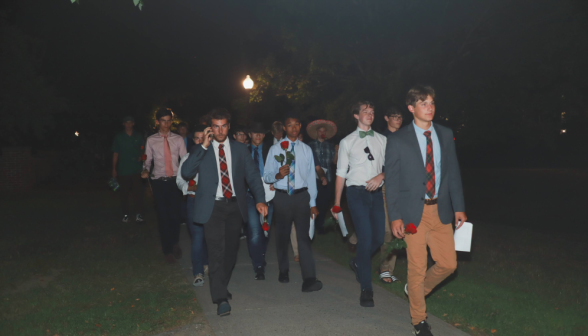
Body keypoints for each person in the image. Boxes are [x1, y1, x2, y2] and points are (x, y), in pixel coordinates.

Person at [385, 85, 466, 336]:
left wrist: (459, 208)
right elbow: (393, 180)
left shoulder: (445, 133)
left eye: (431, 103)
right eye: (423, 103)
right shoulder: (398, 139)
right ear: (411, 108)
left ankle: (415, 289)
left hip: (440, 211)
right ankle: (419, 321)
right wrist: (395, 217)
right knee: (417, 268)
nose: (429, 107)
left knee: (449, 264)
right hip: (412, 214)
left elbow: (452, 173)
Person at [181, 108, 267, 317]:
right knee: (216, 251)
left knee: (230, 252)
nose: (220, 130)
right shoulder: (201, 148)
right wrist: (202, 146)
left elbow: (253, 176)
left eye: (224, 126)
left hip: (234, 206)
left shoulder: (240, 149)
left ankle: (220, 285)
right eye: (216, 126)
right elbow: (186, 172)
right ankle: (220, 298)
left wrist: (261, 200)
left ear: (229, 126)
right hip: (212, 207)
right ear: (211, 128)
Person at [332, 101, 386, 307]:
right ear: (356, 115)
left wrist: (381, 175)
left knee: (379, 238)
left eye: (372, 111)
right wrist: (337, 203)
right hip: (355, 193)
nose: (370, 114)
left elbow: (391, 166)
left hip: (376, 194)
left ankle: (357, 262)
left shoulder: (382, 140)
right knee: (365, 238)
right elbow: (340, 174)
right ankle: (366, 289)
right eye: (365, 111)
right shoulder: (347, 141)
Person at [263, 114, 322, 293]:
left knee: (303, 238)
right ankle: (283, 269)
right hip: (282, 197)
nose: (294, 128)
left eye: (297, 125)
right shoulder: (275, 149)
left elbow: (311, 177)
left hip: (301, 196)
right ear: (284, 129)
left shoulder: (306, 150)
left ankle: (309, 278)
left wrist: (313, 202)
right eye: (290, 125)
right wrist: (278, 175)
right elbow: (266, 176)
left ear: (300, 127)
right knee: (282, 236)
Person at [348, 106, 403, 283]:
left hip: (404, 188)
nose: (398, 120)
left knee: (398, 230)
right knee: (388, 230)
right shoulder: (380, 138)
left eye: (400, 117)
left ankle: (360, 246)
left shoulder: (406, 138)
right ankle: (384, 268)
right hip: (384, 187)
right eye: (394, 116)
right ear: (386, 118)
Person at [142, 108, 187, 264]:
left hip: (175, 181)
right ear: (157, 122)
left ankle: (174, 243)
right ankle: (167, 250)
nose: (166, 124)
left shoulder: (178, 139)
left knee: (176, 215)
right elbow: (147, 162)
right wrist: (145, 170)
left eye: (169, 120)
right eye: (163, 120)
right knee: (163, 216)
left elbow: (185, 160)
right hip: (159, 182)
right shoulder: (151, 140)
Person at [246, 122, 274, 280]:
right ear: (250, 134)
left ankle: (259, 255)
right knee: (255, 230)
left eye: (261, 133)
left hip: (269, 195)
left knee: (265, 230)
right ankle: (258, 266)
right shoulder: (244, 151)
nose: (258, 136)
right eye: (255, 133)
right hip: (249, 196)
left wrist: (276, 183)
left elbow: (279, 169)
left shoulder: (271, 150)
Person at [177, 150, 208, 287]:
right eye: (197, 137)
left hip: (211, 202)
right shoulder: (187, 158)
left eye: (203, 136)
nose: (200, 140)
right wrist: (189, 187)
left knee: (210, 236)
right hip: (193, 200)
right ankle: (198, 272)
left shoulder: (214, 155)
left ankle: (206, 263)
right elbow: (179, 180)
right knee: (197, 235)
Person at [306, 120, 338, 234]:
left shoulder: (330, 146)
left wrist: (337, 152)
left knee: (324, 204)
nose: (322, 133)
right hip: (313, 179)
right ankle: (310, 224)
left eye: (324, 131)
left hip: (327, 178)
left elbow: (334, 162)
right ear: (317, 132)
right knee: (313, 202)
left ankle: (319, 226)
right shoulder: (310, 146)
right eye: (320, 131)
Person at [112, 116, 145, 223]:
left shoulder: (138, 136)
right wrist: (114, 168)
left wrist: (142, 157)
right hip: (123, 169)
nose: (129, 125)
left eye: (130, 123)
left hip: (136, 169)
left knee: (138, 193)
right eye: (126, 123)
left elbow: (143, 150)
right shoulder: (119, 137)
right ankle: (125, 214)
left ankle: (138, 214)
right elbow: (115, 153)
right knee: (124, 194)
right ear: (123, 124)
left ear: (133, 124)